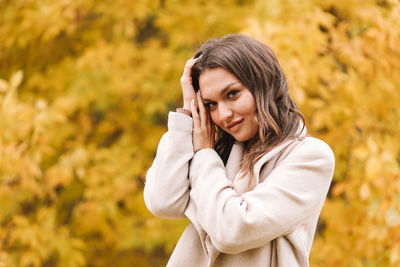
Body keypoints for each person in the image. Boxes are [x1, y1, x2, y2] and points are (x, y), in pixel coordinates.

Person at [143, 34, 335, 267]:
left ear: (263, 84)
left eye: (232, 94)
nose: (223, 115)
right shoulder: (219, 153)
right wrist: (187, 115)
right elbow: (163, 202)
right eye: (211, 104)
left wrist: (204, 154)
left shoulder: (311, 157)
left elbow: (231, 230)